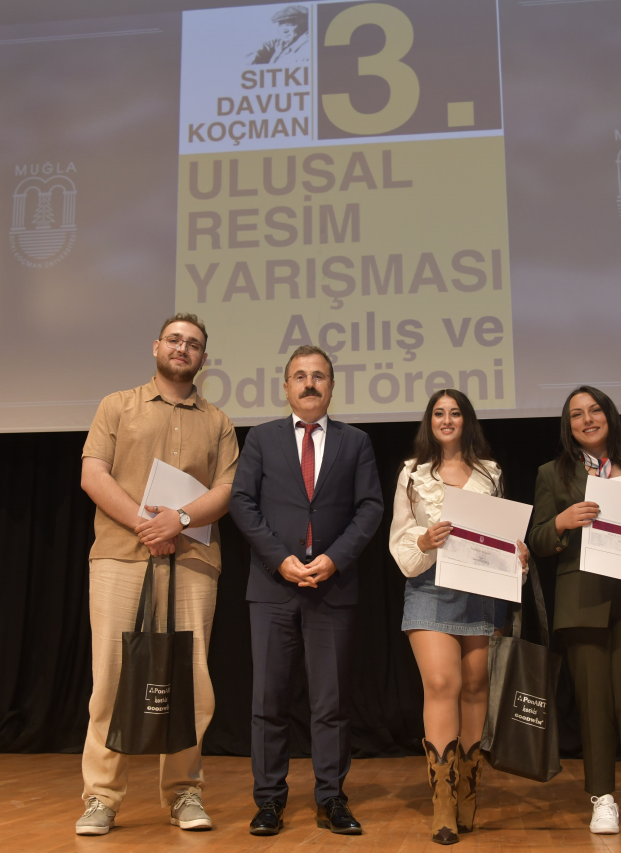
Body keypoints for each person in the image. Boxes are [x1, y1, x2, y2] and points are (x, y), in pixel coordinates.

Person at [75, 313, 240, 836]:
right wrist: (146, 524)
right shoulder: (116, 406)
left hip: (191, 561)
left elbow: (227, 491)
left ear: (202, 359)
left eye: (193, 344)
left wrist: (181, 519)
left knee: (190, 680)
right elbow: (92, 473)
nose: (182, 348)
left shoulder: (218, 421)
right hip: (120, 557)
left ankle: (184, 792)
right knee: (112, 678)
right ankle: (101, 797)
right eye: (175, 340)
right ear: (156, 347)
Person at [229, 345, 384, 837]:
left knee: (331, 703)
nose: (309, 384)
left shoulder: (355, 442)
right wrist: (281, 559)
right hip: (274, 588)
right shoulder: (261, 438)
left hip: (332, 588)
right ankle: (270, 801)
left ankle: (331, 798)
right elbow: (242, 502)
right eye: (300, 376)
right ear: (286, 386)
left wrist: (333, 559)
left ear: (332, 386)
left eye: (319, 376)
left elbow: (370, 508)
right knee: (268, 701)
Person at [527, 386, 621, 841]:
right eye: (576, 414)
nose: (586, 419)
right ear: (567, 424)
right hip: (582, 603)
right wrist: (561, 522)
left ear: (609, 417)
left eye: (594, 411)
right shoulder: (553, 475)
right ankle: (602, 799)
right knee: (595, 707)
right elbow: (536, 540)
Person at [389, 390, 529, 845]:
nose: (447, 420)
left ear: (467, 421)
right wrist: (425, 542)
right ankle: (443, 800)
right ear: (429, 422)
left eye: (455, 413)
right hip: (430, 589)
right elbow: (400, 540)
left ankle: (469, 789)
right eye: (438, 413)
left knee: (474, 688)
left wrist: (518, 551)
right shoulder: (412, 473)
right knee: (442, 685)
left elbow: (505, 534)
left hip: (482, 592)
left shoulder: (492, 473)